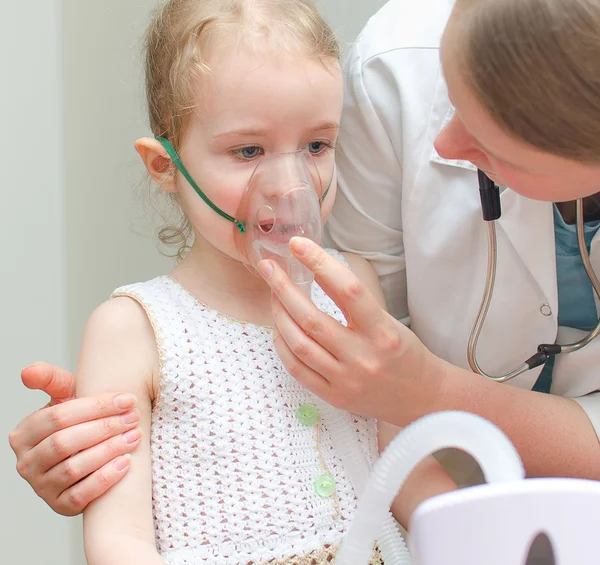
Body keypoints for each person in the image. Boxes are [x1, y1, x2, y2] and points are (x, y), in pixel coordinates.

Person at [9, 0, 600, 525]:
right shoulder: (133, 328)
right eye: (248, 151)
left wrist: (486, 542)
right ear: (164, 167)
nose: (291, 185)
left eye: (317, 146)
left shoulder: (349, 292)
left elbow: (408, 475)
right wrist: (75, 461)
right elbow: (119, 534)